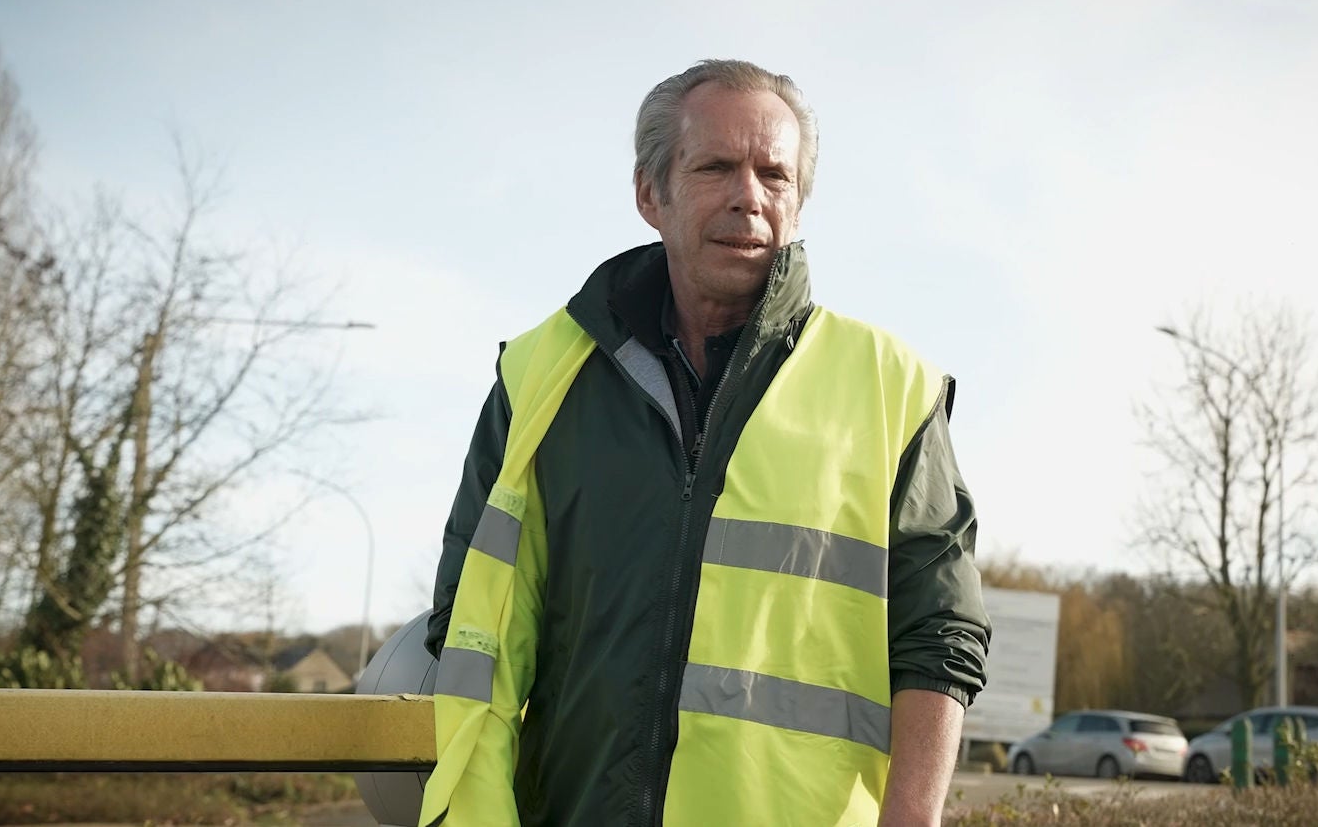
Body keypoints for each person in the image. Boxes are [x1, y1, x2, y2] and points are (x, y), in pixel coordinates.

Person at [421, 59, 990, 827]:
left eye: (774, 174)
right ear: (650, 193)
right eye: (716, 166)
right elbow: (471, 631)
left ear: (799, 200)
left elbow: (939, 633)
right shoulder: (538, 376)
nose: (748, 196)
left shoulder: (892, 388)